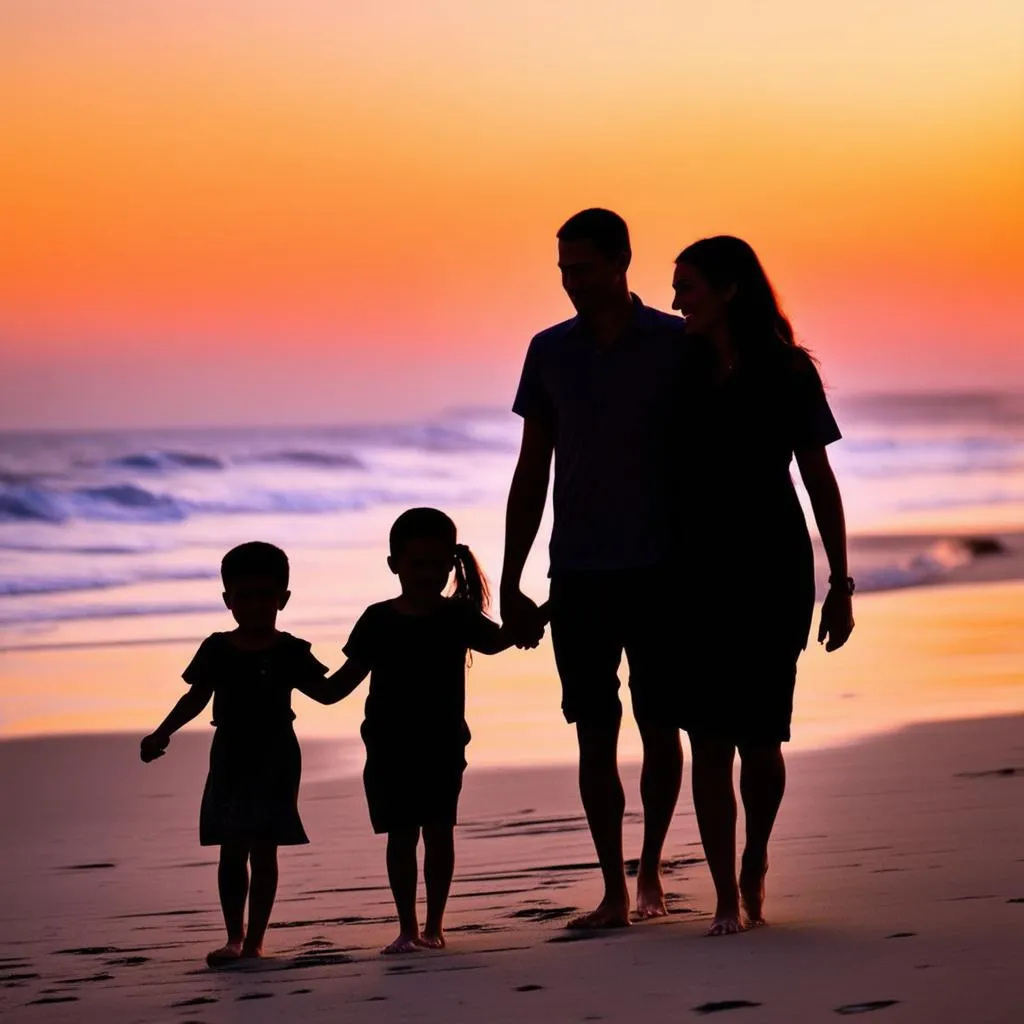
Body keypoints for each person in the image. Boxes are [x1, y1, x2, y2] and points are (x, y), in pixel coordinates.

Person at [501, 208, 688, 928]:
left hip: (664, 567)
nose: (571, 283)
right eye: (562, 272)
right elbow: (531, 471)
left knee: (661, 723)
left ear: (621, 262)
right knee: (593, 729)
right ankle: (613, 887)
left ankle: (650, 868)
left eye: (582, 269)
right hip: (577, 569)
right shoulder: (549, 351)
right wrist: (514, 579)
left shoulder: (676, 343)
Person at [670, 235, 855, 936]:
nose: (677, 299)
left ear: (729, 290)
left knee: (761, 738)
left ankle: (756, 855)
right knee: (708, 739)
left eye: (687, 285)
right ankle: (723, 895)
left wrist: (841, 581)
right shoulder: (679, 368)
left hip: (772, 571)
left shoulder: (786, 372)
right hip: (693, 573)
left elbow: (818, 479)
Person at [325, 507, 530, 954]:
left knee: (438, 832)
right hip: (387, 747)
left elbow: (497, 642)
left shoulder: (457, 616)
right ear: (393, 564)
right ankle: (406, 928)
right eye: (415, 563)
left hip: (442, 744)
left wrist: (539, 616)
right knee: (400, 836)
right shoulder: (377, 620)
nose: (425, 573)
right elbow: (340, 684)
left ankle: (434, 927)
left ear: (448, 565)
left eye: (435, 564)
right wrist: (285, 670)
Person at [140, 542, 350, 967]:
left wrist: (367, 658)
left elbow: (327, 694)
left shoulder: (291, 650)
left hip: (276, 755)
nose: (254, 606)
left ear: (283, 599)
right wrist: (162, 732)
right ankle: (234, 937)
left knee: (264, 849)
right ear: (227, 601)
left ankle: (255, 941)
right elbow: (196, 697)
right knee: (231, 847)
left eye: (265, 597)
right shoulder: (217, 648)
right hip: (231, 754)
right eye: (244, 597)